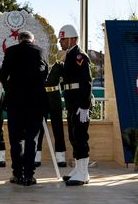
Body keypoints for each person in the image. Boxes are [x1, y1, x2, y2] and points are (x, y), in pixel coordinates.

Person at [0, 30, 48, 186]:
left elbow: (2, 74)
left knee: (16, 139)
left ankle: (17, 174)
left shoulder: (11, 51)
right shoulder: (40, 51)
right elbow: (44, 74)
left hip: (15, 102)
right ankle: (29, 175)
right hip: (34, 102)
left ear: (19, 40)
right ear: (32, 40)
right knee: (31, 139)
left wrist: (10, 88)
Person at [58, 24, 92, 186]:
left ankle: (84, 173)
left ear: (73, 39)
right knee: (73, 136)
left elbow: (86, 82)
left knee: (80, 136)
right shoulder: (70, 56)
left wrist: (85, 105)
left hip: (80, 102)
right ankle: (78, 169)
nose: (61, 42)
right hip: (73, 102)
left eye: (63, 39)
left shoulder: (79, 56)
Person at [35, 58, 67, 168]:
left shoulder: (58, 64)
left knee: (58, 129)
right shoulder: (37, 63)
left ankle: (60, 156)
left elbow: (65, 80)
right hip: (41, 98)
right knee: (38, 129)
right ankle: (36, 156)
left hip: (54, 99)